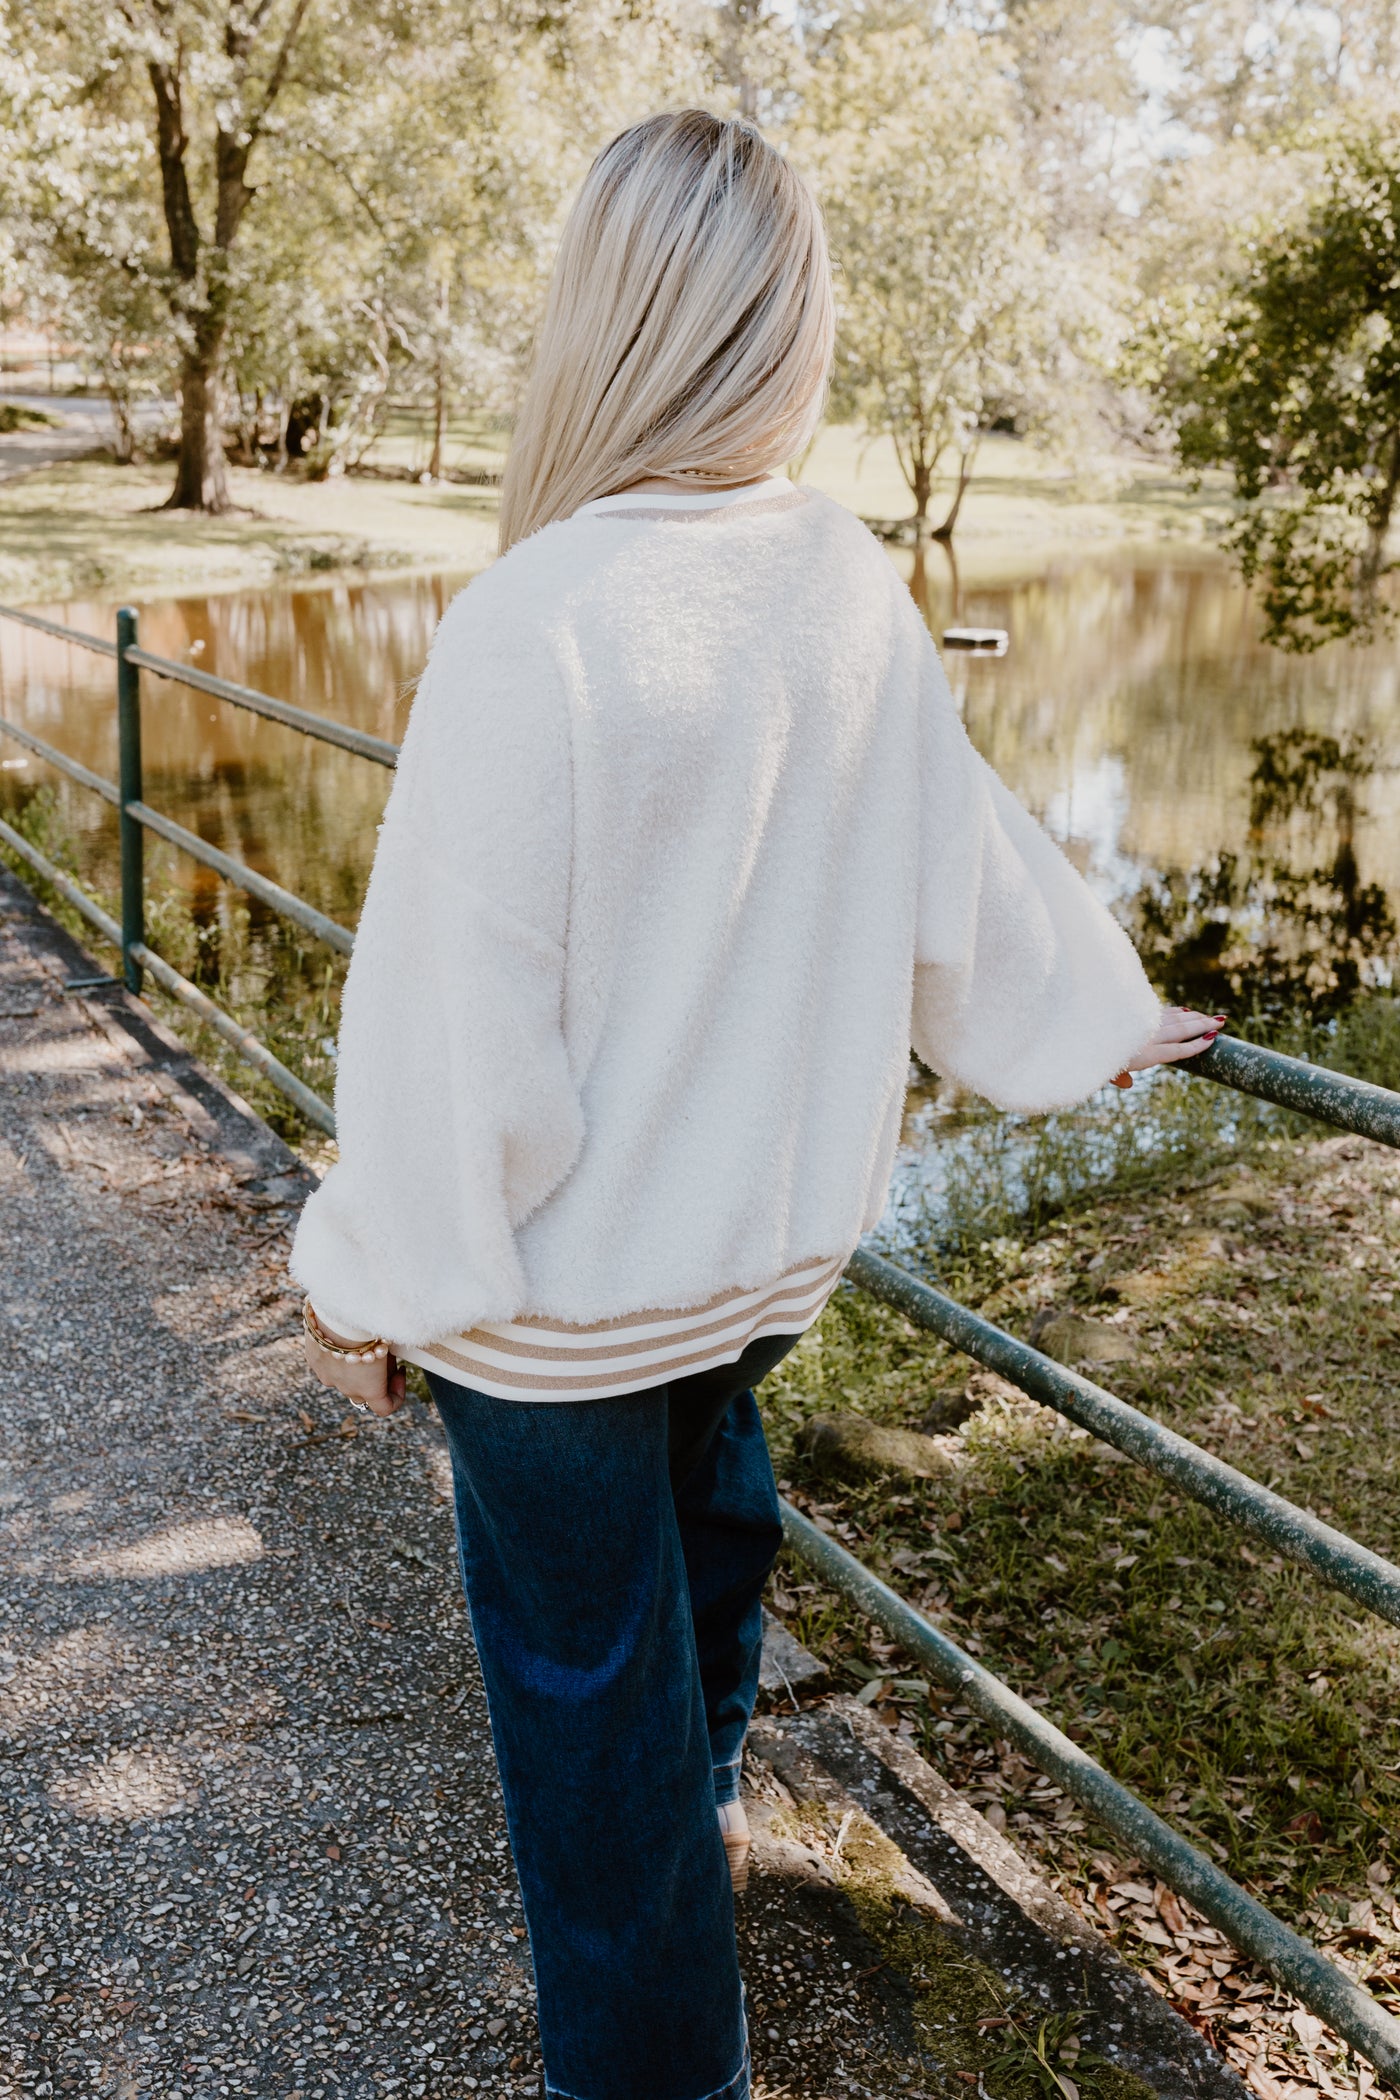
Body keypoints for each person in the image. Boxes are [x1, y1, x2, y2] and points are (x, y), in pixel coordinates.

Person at [291, 108, 1221, 2100]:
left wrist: (370, 1291)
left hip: (554, 1326)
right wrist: (1094, 1017)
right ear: (778, 327)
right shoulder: (842, 589)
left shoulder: (533, 623)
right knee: (698, 1609)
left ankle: (662, 2057)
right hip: (744, 1283)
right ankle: (688, 1915)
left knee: (592, 1750)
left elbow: (454, 1042)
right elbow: (958, 877)